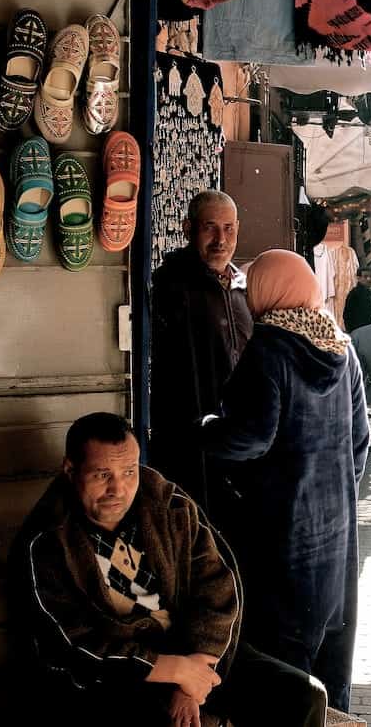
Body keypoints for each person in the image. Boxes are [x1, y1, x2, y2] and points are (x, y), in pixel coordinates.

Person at [9, 413, 328, 727]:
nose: (117, 489)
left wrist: (192, 676)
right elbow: (72, 645)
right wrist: (172, 670)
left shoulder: (169, 505)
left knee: (303, 695)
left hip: (194, 653)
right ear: (70, 470)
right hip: (114, 678)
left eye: (129, 472)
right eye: (102, 475)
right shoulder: (47, 541)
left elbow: (218, 586)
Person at [200, 250, 370, 713]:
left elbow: (250, 438)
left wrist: (206, 430)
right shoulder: (343, 347)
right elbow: (361, 441)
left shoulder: (270, 349)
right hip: (337, 540)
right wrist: (336, 494)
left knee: (284, 675)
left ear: (267, 291)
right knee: (332, 668)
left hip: (281, 535)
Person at [149, 190, 250, 508]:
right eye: (210, 227)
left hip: (238, 436)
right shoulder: (170, 286)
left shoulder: (242, 287)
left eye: (229, 228)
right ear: (188, 229)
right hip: (188, 440)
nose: (221, 239)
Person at [343, 264, 371, 334]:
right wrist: (352, 332)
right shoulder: (354, 294)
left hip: (368, 330)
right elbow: (347, 315)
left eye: (370, 276)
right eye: (365, 276)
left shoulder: (370, 292)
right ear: (358, 278)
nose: (368, 279)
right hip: (359, 331)